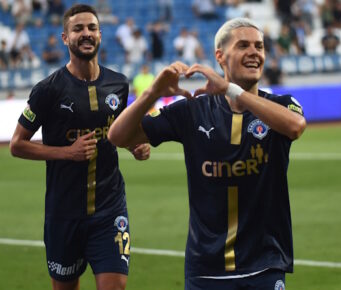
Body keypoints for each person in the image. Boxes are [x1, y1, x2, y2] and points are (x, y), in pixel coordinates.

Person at [108, 17, 306, 290]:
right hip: (206, 271)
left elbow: (295, 126)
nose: (255, 52)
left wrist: (231, 90)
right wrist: (152, 93)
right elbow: (117, 136)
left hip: (265, 266)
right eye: (244, 45)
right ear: (220, 56)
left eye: (259, 46)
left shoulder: (282, 105)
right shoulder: (192, 110)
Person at [9, 4, 150, 290]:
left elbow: (119, 133)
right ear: (65, 38)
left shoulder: (119, 85)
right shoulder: (47, 90)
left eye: (91, 28)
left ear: (100, 34)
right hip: (64, 213)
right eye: (78, 29)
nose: (85, 34)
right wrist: (66, 153)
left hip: (110, 209)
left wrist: (135, 146)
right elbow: (16, 145)